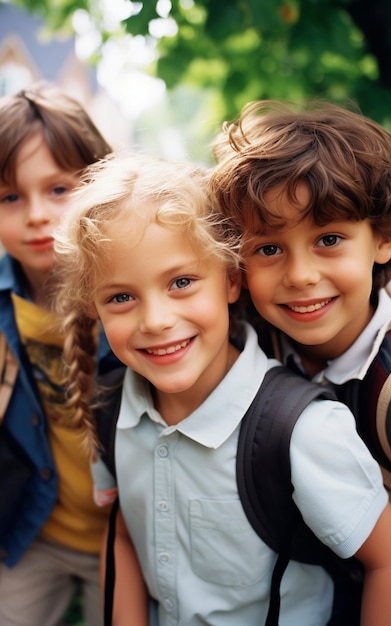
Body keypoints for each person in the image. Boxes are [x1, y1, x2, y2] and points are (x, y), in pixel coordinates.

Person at [53, 151, 391, 626]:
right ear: (92, 305)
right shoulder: (110, 407)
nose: (157, 321)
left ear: (231, 279)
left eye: (181, 282)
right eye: (121, 297)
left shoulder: (303, 429)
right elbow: (124, 530)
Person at [210, 99, 391, 618]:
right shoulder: (251, 348)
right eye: (268, 249)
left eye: (329, 239)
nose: (301, 274)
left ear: (384, 238)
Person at [0, 82, 121, 626]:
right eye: (10, 197)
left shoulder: (135, 296)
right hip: (34, 529)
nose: (36, 216)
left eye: (58, 189)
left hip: (127, 537)